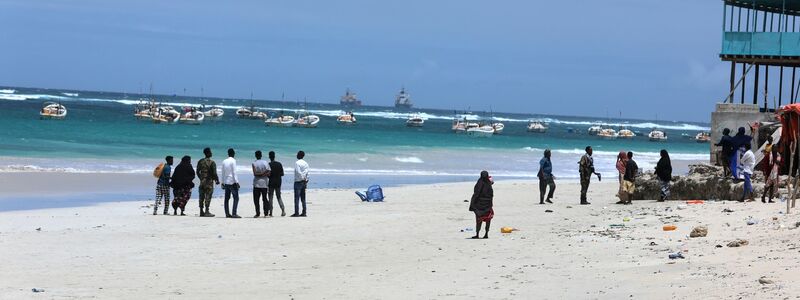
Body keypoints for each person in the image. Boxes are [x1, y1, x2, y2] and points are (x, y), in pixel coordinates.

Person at [469, 170, 494, 239]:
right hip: (488, 205)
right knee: (488, 220)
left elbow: (476, 193)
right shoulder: (489, 184)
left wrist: (472, 203)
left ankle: (477, 234)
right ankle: (486, 234)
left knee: (478, 220)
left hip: (479, 205)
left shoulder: (479, 183)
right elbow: (491, 195)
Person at [196, 148, 219, 217]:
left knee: (201, 196)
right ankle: (206, 211)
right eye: (211, 152)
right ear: (208, 153)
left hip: (202, 181)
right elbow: (214, 173)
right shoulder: (212, 162)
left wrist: (201, 178)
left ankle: (201, 211)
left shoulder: (200, 161)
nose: (211, 153)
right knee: (208, 196)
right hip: (209, 181)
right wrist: (217, 180)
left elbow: (197, 171)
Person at [222, 148, 241, 218]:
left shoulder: (224, 161)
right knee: (236, 198)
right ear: (233, 154)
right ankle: (234, 213)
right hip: (232, 182)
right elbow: (234, 172)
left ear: (228, 153)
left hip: (226, 182)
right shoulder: (233, 161)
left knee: (226, 199)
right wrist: (237, 182)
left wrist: (222, 182)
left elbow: (223, 173)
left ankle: (227, 213)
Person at [252, 150, 271, 218]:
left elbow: (255, 174)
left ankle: (257, 213)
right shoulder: (265, 162)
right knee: (264, 198)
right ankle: (266, 213)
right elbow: (269, 173)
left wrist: (259, 174)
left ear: (255, 155)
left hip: (256, 183)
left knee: (256, 199)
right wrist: (263, 174)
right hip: (264, 183)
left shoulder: (254, 163)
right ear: (261, 155)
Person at [268, 151, 286, 217]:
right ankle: (283, 210)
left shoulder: (269, 164)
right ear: (274, 156)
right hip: (278, 182)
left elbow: (268, 175)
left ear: (269, 157)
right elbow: (282, 174)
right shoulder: (279, 164)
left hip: (271, 182)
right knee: (278, 196)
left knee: (270, 197)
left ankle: (271, 212)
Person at [291, 151, 309, 217]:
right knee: (303, 198)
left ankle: (296, 213)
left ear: (299, 155)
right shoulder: (306, 163)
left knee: (296, 198)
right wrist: (306, 179)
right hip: (304, 181)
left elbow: (298, 172)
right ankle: (304, 212)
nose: (296, 155)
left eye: (297, 154)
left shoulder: (297, 163)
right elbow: (307, 172)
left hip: (298, 181)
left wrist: (302, 178)